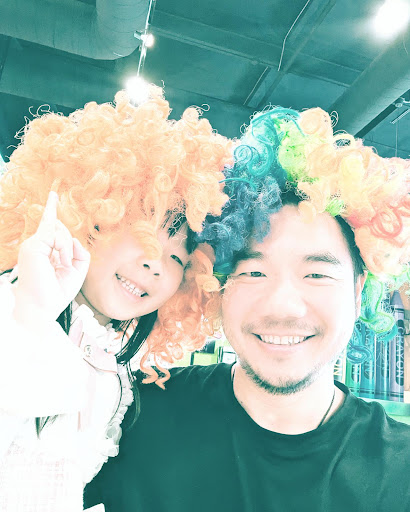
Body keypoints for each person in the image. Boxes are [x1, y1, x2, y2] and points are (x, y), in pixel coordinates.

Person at [84, 106, 410, 512]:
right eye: (254, 273)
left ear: (359, 292)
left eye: (317, 274)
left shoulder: (401, 476)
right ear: (218, 285)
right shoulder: (128, 416)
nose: (283, 305)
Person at [0, 86, 233, 511]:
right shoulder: (12, 304)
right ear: (92, 217)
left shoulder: (117, 370)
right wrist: (31, 314)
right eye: (141, 230)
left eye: (177, 257)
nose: (155, 262)